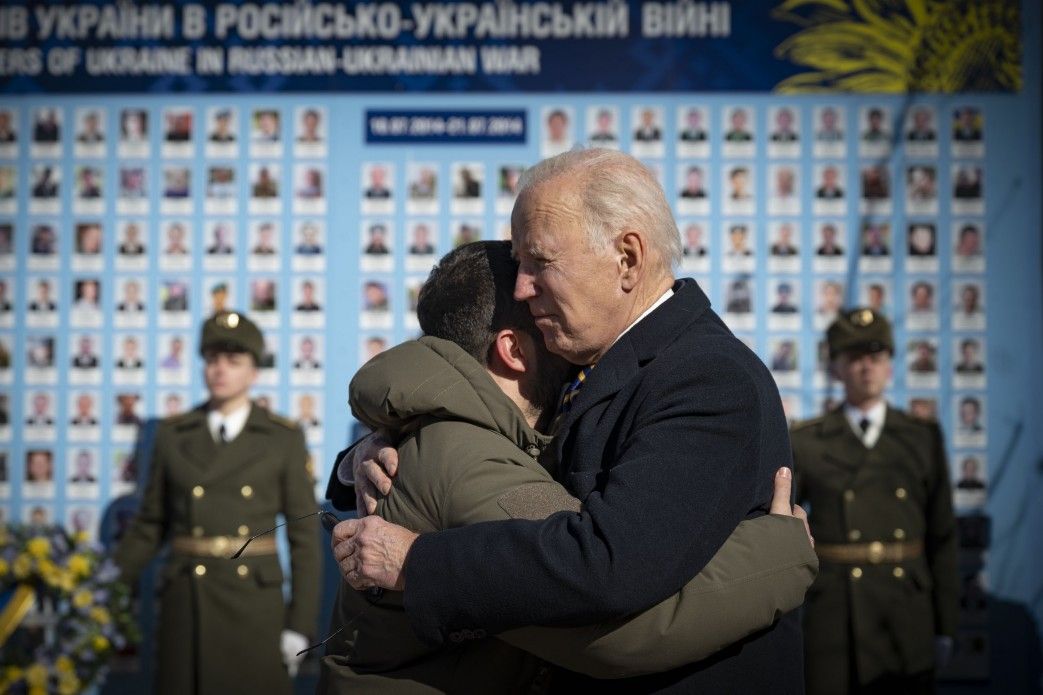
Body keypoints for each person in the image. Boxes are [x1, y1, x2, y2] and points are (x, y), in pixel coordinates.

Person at [333, 149, 807, 692]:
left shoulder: (706, 378)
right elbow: (496, 440)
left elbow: (609, 568)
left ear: (627, 258)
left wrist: (416, 563)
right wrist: (371, 453)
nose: (520, 287)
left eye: (540, 262)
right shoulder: (592, 364)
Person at [113, 311, 321, 695]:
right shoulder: (173, 436)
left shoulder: (282, 439)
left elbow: (305, 537)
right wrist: (102, 589)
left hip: (255, 609)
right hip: (186, 604)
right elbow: (149, 526)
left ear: (254, 372)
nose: (220, 370)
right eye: (212, 359)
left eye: (233, 361)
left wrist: (299, 626)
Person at [791, 308, 958, 694]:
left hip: (905, 613)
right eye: (854, 357)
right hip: (834, 616)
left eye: (876, 357)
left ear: (890, 367)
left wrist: (946, 626)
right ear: (836, 368)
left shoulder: (921, 438)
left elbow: (943, 537)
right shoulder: (807, 441)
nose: (866, 367)